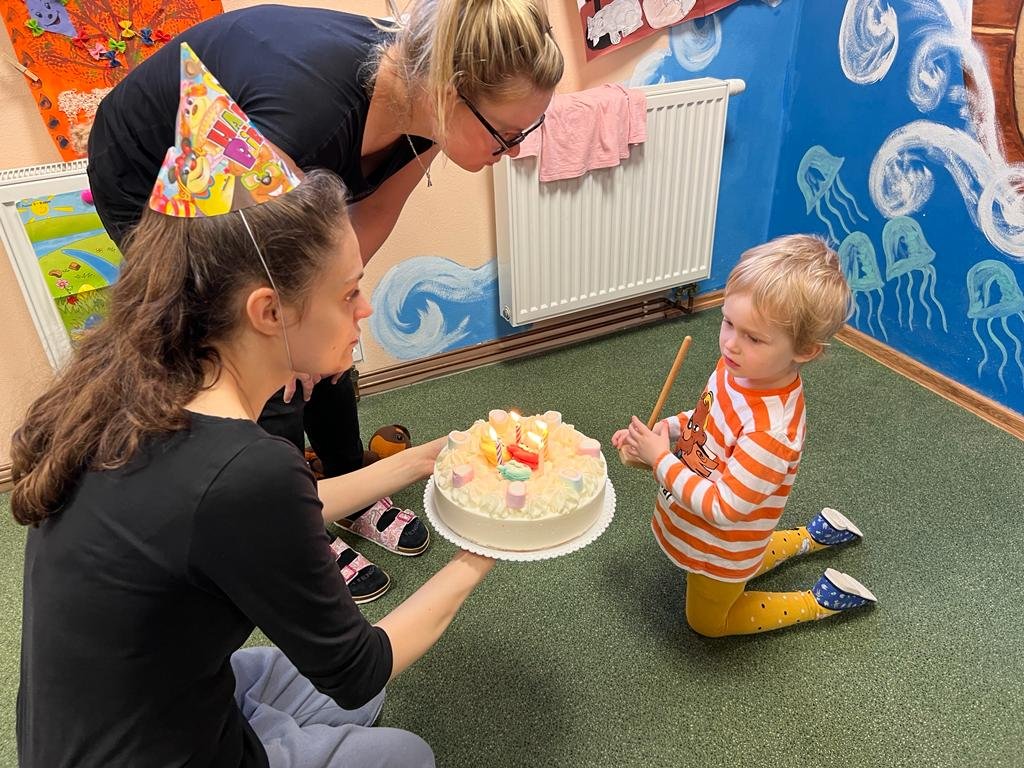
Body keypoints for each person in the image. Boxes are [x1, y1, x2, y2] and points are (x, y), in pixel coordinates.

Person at [13, 50, 496, 763]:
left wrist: (420, 462)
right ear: (269, 311)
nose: (364, 308)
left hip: (114, 710)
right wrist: (486, 546)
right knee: (400, 745)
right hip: (146, 752)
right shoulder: (244, 470)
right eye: (348, 292)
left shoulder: (141, 382)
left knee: (338, 695)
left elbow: (270, 514)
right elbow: (358, 665)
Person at [86, 0, 564, 599]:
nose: (515, 150)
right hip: (144, 165)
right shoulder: (309, 116)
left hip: (275, 165)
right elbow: (255, 278)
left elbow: (371, 217)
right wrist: (297, 340)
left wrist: (335, 310)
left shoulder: (430, 111)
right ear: (451, 93)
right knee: (268, 356)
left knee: (333, 337)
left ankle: (348, 483)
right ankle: (297, 522)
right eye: (507, 133)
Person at [613, 234, 877, 638]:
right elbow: (704, 418)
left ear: (805, 350)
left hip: (724, 543)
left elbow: (723, 508)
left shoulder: (772, 431)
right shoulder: (737, 368)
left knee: (707, 623)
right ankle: (809, 537)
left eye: (753, 337)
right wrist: (665, 430)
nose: (731, 344)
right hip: (706, 529)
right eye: (728, 322)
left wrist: (660, 459)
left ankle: (819, 601)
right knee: (743, 560)